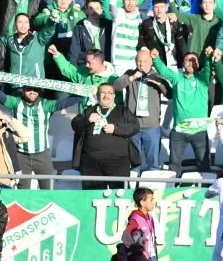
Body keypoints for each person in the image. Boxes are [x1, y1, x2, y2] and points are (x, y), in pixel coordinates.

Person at [150, 48, 213, 176]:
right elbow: (164, 71)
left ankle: (206, 188)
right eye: (187, 60)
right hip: (179, 130)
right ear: (183, 63)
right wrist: (156, 59)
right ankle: (172, 187)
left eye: (193, 60)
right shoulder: (177, 78)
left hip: (199, 130)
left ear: (198, 64)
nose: (190, 63)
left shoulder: (203, 80)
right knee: (174, 164)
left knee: (203, 164)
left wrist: (208, 57)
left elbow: (208, 69)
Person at [71, 83, 141, 189]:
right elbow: (75, 125)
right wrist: (87, 120)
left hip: (118, 163)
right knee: (92, 194)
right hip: (91, 163)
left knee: (119, 193)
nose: (106, 95)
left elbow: (135, 127)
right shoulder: (89, 111)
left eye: (109, 93)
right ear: (97, 95)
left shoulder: (123, 111)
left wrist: (116, 129)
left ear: (114, 96)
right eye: (103, 93)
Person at [113, 49, 170, 172]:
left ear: (151, 62)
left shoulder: (157, 75)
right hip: (133, 126)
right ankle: (133, 182)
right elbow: (116, 87)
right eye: (139, 61)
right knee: (133, 163)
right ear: (135, 61)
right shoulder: (130, 73)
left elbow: (170, 94)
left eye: (145, 61)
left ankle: (153, 182)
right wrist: (132, 77)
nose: (141, 64)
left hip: (152, 127)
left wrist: (159, 83)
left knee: (153, 164)